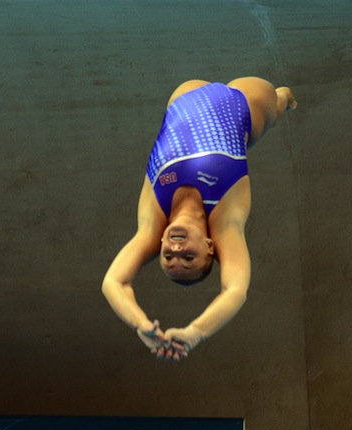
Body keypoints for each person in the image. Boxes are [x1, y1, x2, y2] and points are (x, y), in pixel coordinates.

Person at [102, 77, 296, 361]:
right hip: (244, 106)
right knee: (274, 103)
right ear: (209, 246)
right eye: (189, 258)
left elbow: (114, 282)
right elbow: (235, 290)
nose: (176, 250)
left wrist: (140, 324)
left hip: (184, 98)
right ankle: (284, 102)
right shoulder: (225, 223)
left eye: (169, 258)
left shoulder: (152, 224)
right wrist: (195, 332)